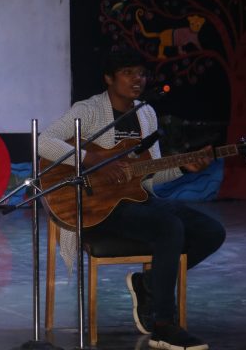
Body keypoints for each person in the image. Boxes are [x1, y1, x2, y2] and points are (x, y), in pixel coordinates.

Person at [38, 48, 225, 350]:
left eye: (141, 73)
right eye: (128, 73)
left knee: (211, 231)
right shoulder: (88, 110)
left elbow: (149, 176)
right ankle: (163, 326)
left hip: (135, 199)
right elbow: (43, 141)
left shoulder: (146, 114)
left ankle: (147, 284)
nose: (137, 79)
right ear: (109, 78)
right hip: (97, 206)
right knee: (169, 227)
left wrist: (183, 167)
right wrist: (92, 159)